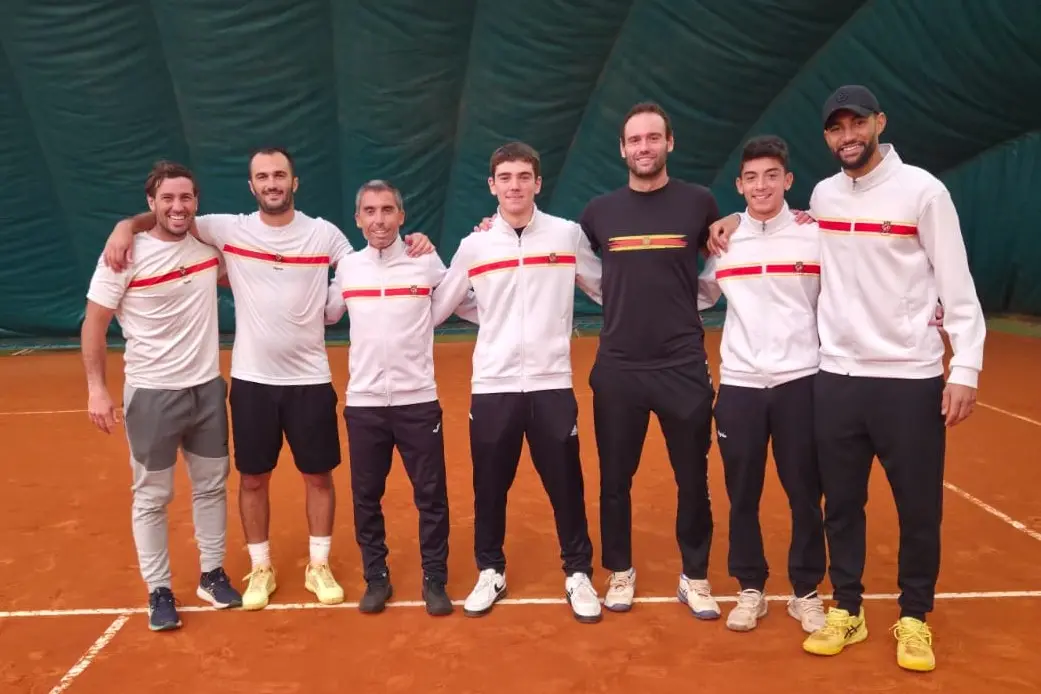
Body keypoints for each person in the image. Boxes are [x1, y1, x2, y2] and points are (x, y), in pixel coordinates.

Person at [706, 85, 986, 672]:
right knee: (841, 505)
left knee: (918, 507)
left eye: (857, 123)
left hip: (909, 377)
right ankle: (849, 608)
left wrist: (963, 365)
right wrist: (732, 218)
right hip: (835, 376)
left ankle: (913, 617)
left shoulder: (924, 192)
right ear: (827, 138)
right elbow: (770, 219)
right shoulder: (824, 196)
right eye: (836, 128)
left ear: (879, 123)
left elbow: (957, 283)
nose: (848, 135)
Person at [100, 147, 436, 611]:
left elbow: (370, 256)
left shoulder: (325, 235)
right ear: (252, 185)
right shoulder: (228, 229)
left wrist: (416, 242)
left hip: (311, 379)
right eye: (263, 176)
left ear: (294, 183)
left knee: (318, 476)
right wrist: (125, 226)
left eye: (280, 175)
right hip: (252, 380)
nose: (272, 183)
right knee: (253, 479)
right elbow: (169, 216)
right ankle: (261, 567)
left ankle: (318, 565)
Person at [431, 141, 605, 624]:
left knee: (566, 484)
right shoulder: (475, 245)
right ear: (492, 186)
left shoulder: (566, 236)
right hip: (493, 386)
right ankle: (491, 570)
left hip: (551, 383)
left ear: (538, 183)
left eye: (523, 177)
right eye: (505, 177)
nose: (514, 186)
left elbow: (608, 287)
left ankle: (578, 573)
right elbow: (441, 304)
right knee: (490, 486)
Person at [81, 161, 242, 631]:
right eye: (168, 199)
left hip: (207, 389)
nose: (178, 207)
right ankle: (159, 591)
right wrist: (96, 388)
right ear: (151, 203)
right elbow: (94, 322)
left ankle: (211, 575)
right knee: (152, 495)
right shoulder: (124, 255)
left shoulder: (209, 251)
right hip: (151, 395)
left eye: (186, 198)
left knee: (212, 485)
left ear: (197, 202)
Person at [578, 102, 721, 618]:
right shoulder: (598, 212)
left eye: (653, 138)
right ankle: (620, 572)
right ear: (622, 148)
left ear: (669, 143)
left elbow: (726, 251)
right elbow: (580, 265)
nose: (644, 147)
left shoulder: (700, 203)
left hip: (683, 364)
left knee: (693, 479)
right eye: (635, 139)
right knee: (615, 479)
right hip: (618, 367)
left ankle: (695, 576)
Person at [324, 180, 476, 617]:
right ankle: (377, 578)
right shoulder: (349, 268)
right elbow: (327, 312)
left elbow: (459, 298)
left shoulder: (425, 262)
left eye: (387, 210)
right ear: (358, 219)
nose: (379, 219)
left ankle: (434, 579)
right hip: (365, 403)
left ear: (401, 216)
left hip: (418, 401)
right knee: (366, 496)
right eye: (369, 211)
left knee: (431, 495)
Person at [696, 135, 827, 633]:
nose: (762, 185)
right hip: (741, 387)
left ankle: (806, 591)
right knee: (742, 493)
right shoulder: (725, 243)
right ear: (739, 185)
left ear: (788, 180)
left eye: (772, 175)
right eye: (751, 177)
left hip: (801, 382)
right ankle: (750, 588)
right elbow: (699, 296)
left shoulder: (814, 236)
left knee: (804, 493)